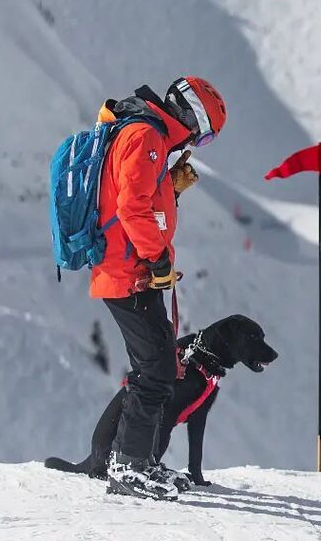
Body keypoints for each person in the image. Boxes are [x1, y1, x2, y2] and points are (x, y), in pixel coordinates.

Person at [90, 76, 227, 500]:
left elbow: (141, 200)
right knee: (156, 371)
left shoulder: (148, 136)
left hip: (132, 271)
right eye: (204, 136)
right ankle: (128, 467)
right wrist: (158, 258)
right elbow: (132, 207)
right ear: (193, 118)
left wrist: (171, 188)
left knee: (158, 366)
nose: (197, 143)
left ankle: (136, 461)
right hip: (128, 273)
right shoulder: (146, 136)